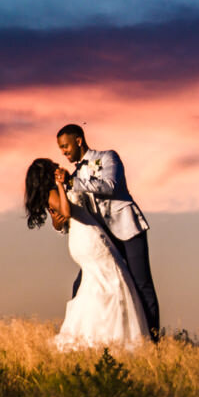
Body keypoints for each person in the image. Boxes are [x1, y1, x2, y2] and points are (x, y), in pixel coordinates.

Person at [24, 158, 148, 351]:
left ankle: (98, 336)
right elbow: (65, 212)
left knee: (97, 284)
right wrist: (60, 185)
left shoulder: (57, 191)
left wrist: (64, 187)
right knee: (112, 279)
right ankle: (112, 337)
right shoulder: (52, 193)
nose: (57, 164)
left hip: (90, 235)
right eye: (51, 165)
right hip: (87, 239)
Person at [56, 124, 161, 341]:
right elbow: (75, 214)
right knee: (81, 285)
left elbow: (111, 185)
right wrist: (58, 224)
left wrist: (71, 182)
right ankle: (88, 339)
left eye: (65, 146)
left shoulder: (107, 158)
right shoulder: (74, 176)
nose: (64, 152)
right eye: (60, 149)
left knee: (141, 284)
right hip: (103, 242)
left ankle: (154, 341)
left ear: (78, 140)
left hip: (127, 230)